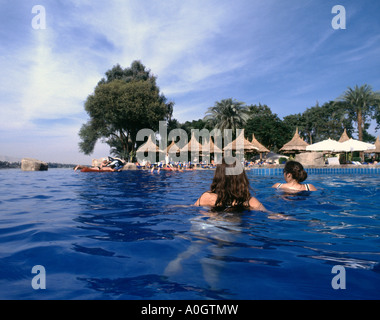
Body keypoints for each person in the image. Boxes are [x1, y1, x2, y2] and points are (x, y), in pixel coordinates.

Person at [194, 157, 266, 211]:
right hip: (233, 228)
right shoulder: (250, 202)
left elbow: (191, 208)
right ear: (241, 178)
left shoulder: (205, 197)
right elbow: (269, 214)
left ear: (218, 176)